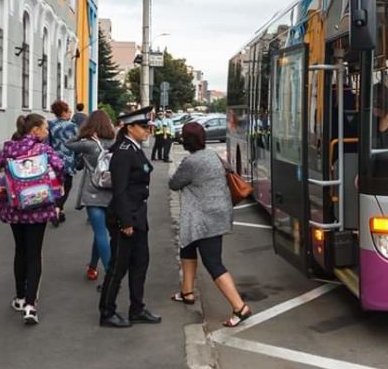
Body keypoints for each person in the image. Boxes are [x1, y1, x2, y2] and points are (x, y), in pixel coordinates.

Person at [0, 113, 64, 325]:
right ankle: (30, 306)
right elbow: (60, 166)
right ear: (35, 130)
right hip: (38, 206)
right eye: (45, 129)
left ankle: (19, 297)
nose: (47, 132)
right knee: (35, 254)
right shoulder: (43, 149)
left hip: (15, 207)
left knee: (20, 251)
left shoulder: (9, 149)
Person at [169, 122, 253, 327]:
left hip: (204, 219)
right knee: (186, 247)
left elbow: (174, 184)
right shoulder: (213, 156)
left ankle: (240, 307)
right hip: (217, 214)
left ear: (186, 141)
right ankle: (187, 292)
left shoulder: (191, 162)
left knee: (213, 262)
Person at [98, 106, 161, 328]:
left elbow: (144, 170)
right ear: (130, 128)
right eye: (144, 127)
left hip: (138, 213)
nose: (147, 131)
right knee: (118, 266)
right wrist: (125, 222)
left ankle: (137, 308)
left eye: (148, 127)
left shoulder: (134, 148)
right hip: (125, 216)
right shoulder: (124, 153)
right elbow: (120, 191)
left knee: (140, 263)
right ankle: (107, 312)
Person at [66, 110, 116, 282]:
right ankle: (93, 267)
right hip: (111, 191)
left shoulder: (88, 144)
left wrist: (82, 134)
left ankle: (111, 273)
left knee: (100, 232)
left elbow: (68, 143)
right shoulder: (113, 142)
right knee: (100, 232)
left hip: (93, 192)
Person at [48, 100, 80, 226]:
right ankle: (58, 208)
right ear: (63, 112)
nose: (70, 114)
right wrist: (77, 158)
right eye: (69, 111)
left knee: (55, 185)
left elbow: (47, 142)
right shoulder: (72, 126)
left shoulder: (49, 124)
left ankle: (58, 209)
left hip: (53, 160)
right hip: (68, 159)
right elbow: (77, 144)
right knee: (67, 186)